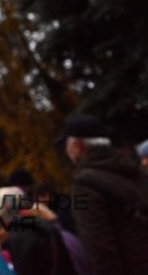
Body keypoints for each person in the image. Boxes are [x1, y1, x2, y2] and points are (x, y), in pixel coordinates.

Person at [58, 112, 148, 274]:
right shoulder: (135, 169)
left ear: (78, 146)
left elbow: (99, 247)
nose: (66, 150)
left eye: (67, 144)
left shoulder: (84, 185)